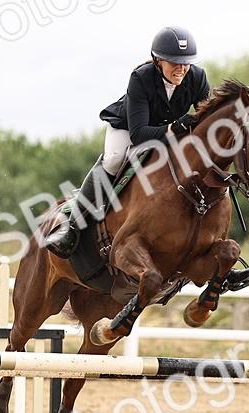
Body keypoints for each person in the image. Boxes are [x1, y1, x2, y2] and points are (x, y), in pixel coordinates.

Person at [43, 26, 209, 258]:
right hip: (128, 127)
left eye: (186, 63)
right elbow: (139, 134)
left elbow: (207, 122)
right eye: (174, 62)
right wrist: (174, 127)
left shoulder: (198, 77)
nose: (181, 68)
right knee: (114, 160)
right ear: (158, 60)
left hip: (169, 130)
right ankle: (71, 226)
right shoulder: (141, 78)